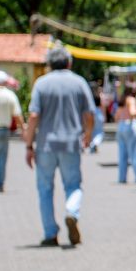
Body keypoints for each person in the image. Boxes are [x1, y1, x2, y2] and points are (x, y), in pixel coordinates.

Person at [23, 47, 96, 247]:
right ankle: (72, 212)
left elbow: (34, 116)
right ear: (69, 63)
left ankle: (50, 233)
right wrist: (87, 135)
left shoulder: (41, 83)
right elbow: (90, 114)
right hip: (71, 143)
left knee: (44, 189)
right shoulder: (79, 82)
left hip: (45, 145)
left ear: (49, 64)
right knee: (73, 185)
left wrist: (29, 145)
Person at [115, 86, 136, 184]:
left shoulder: (122, 100)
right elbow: (133, 112)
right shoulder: (131, 99)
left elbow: (116, 116)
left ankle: (122, 177)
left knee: (122, 154)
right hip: (130, 125)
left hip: (121, 126)